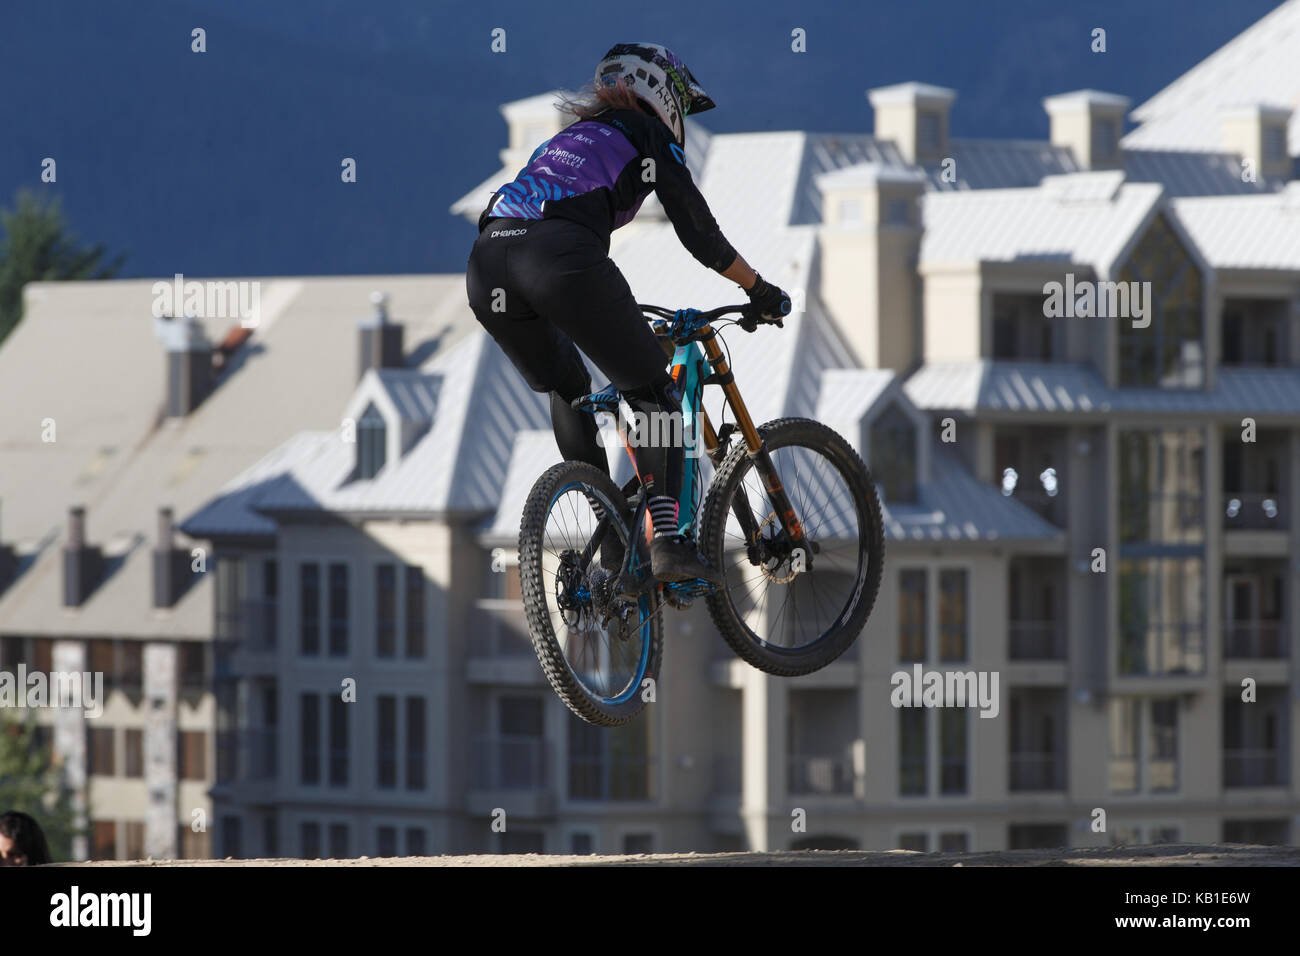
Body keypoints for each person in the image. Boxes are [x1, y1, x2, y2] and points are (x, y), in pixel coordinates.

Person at [467, 42, 791, 584]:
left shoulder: (565, 138)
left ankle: (613, 538)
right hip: (558, 258)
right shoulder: (645, 133)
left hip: (487, 262)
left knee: (569, 388)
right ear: (664, 95)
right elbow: (699, 231)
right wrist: (757, 288)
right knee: (656, 395)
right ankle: (668, 543)